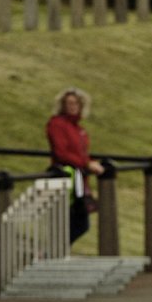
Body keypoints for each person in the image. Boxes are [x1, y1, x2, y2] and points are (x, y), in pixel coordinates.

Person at [46, 87, 105, 244]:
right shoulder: (57, 124)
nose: (72, 106)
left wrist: (91, 161)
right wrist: (87, 163)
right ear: (63, 105)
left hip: (79, 179)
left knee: (78, 222)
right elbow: (61, 153)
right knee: (75, 222)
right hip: (66, 177)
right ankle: (50, 252)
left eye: (75, 103)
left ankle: (54, 252)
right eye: (69, 103)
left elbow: (80, 152)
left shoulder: (78, 129)